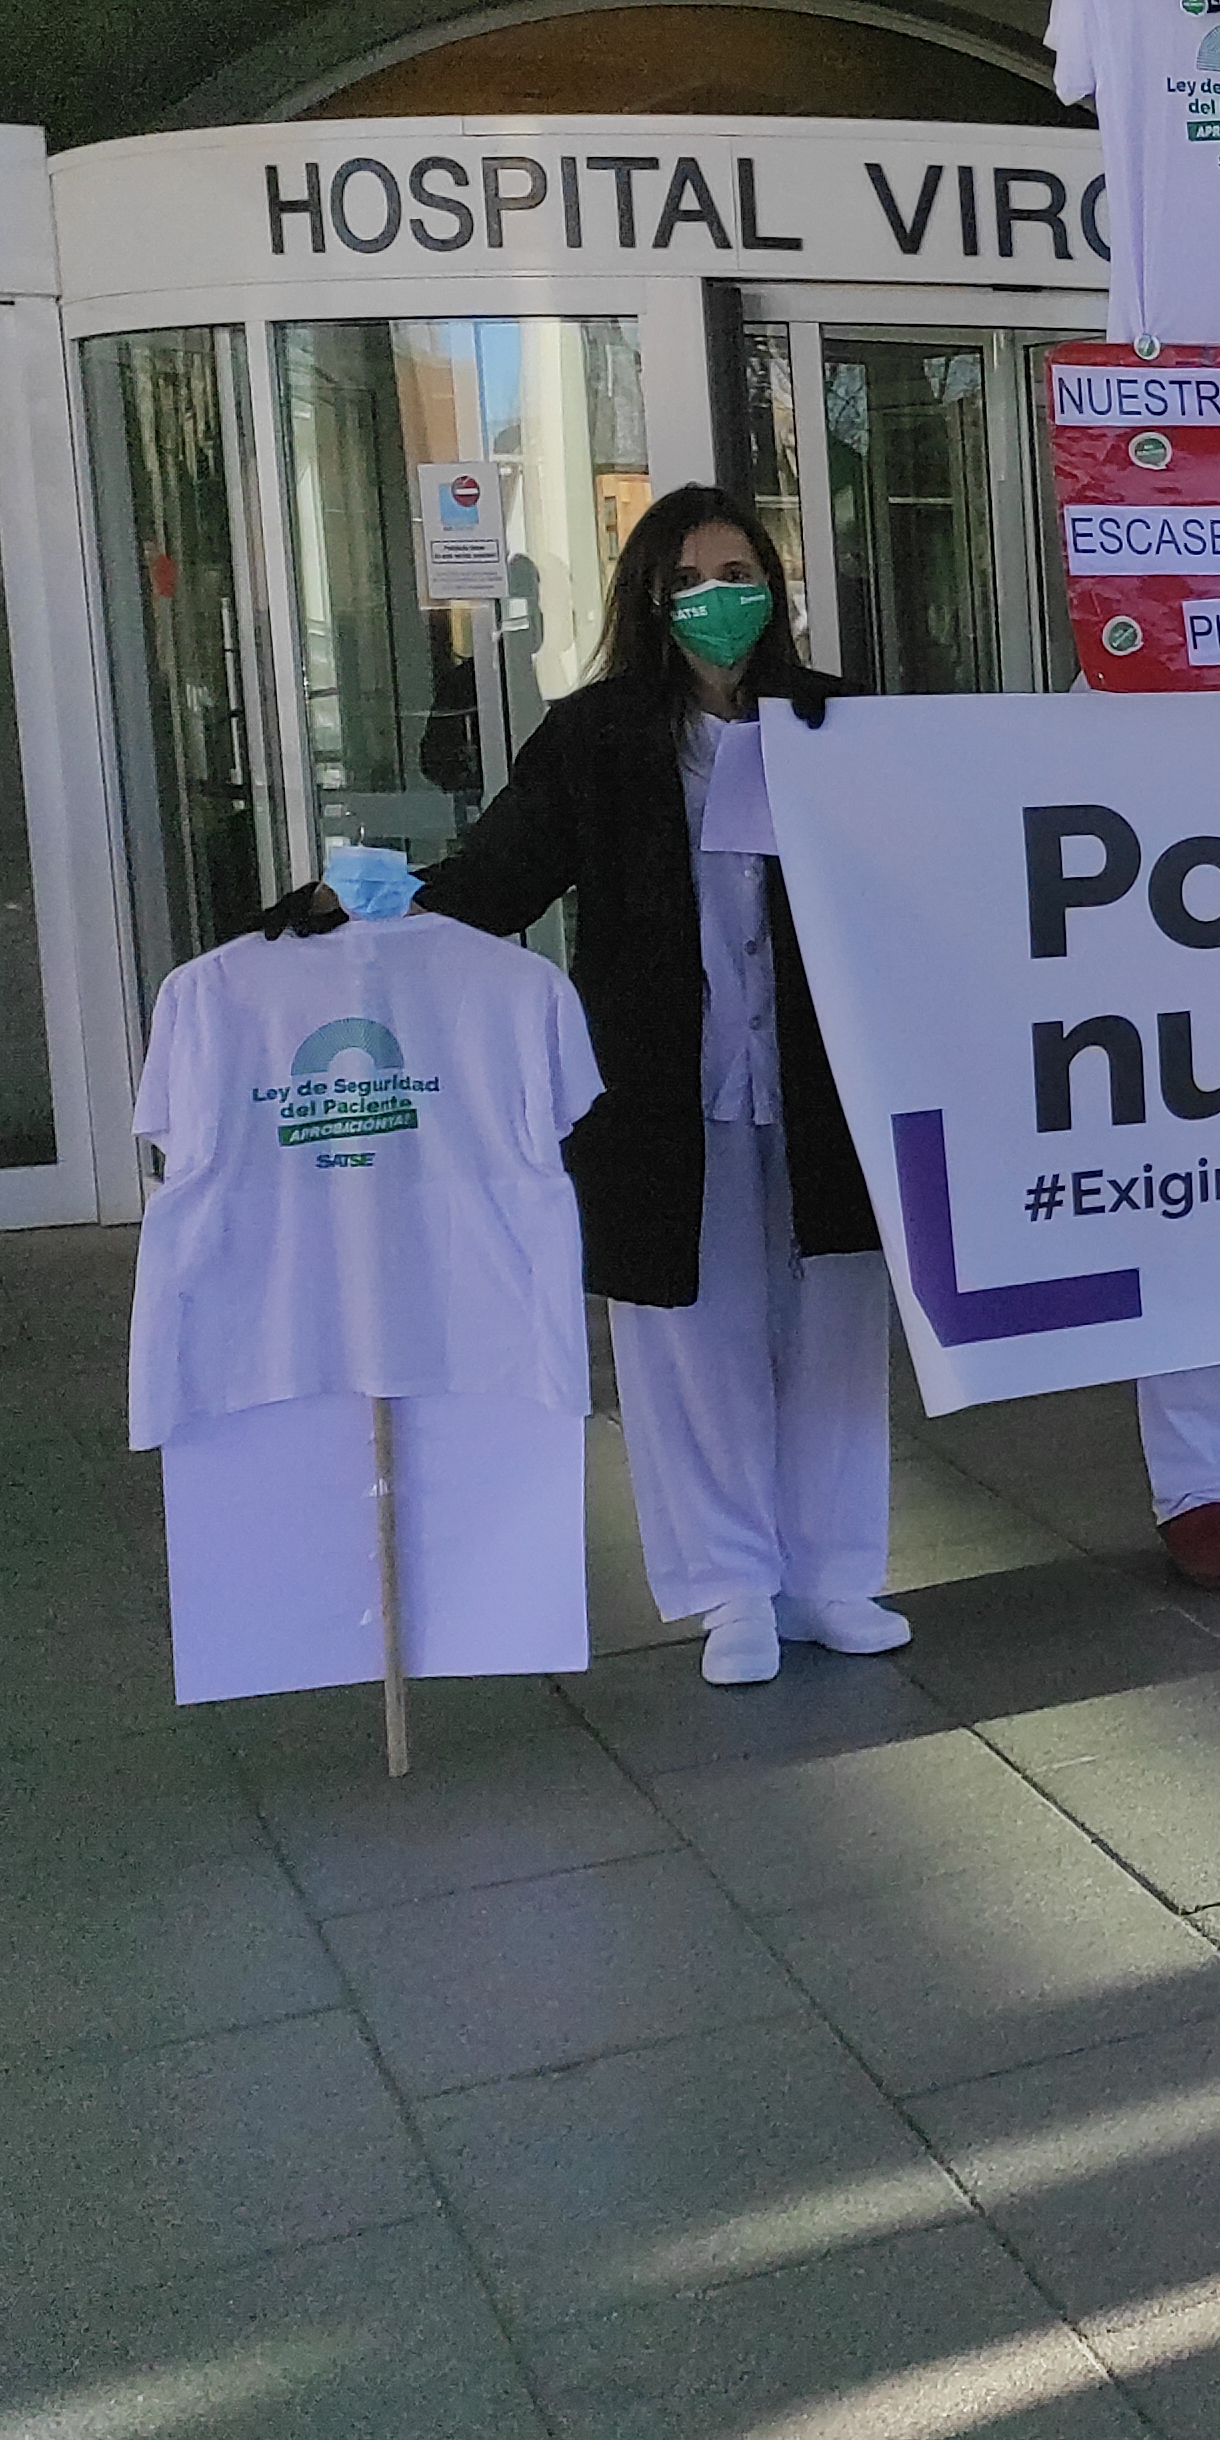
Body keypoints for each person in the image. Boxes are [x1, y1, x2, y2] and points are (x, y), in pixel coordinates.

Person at [392, 489, 904, 1689]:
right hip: (666, 1089)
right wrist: (365, 911)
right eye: (690, 576)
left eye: (741, 570)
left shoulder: (836, 721)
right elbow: (497, 875)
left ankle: (833, 1574)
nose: (719, 597)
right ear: (649, 596)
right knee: (691, 1339)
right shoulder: (601, 734)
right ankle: (731, 1585)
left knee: (833, 1331)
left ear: (776, 586)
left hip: (825, 1083)